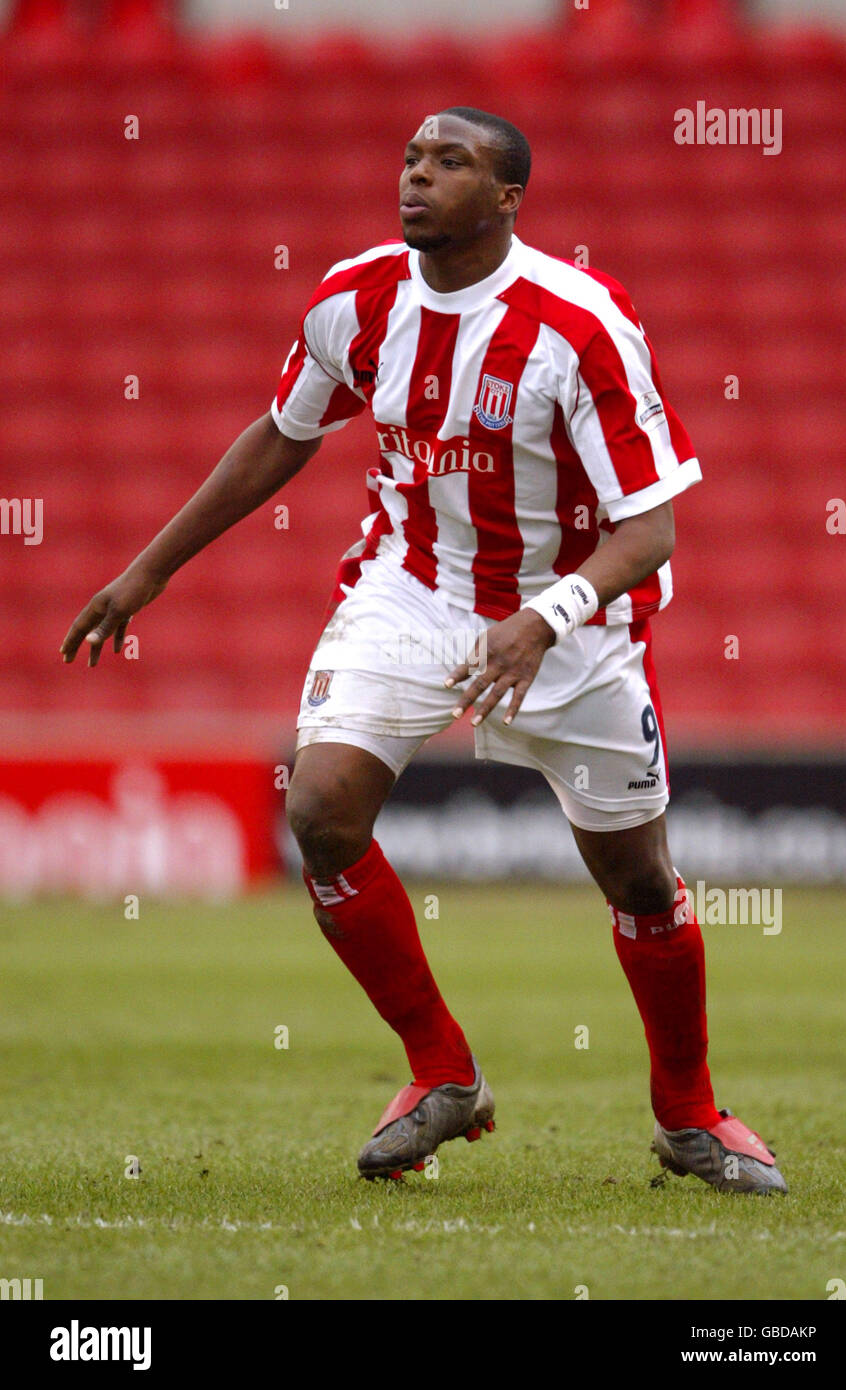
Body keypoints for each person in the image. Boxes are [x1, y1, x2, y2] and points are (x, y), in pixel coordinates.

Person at [61, 107, 786, 1194]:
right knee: (319, 810)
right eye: (410, 158)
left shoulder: (577, 325)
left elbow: (651, 529)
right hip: (413, 590)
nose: (417, 178)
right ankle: (442, 1073)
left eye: (451, 164)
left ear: (506, 199)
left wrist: (545, 617)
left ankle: (687, 1114)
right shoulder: (354, 300)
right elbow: (283, 431)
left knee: (635, 876)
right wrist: (150, 569)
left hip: (573, 618)